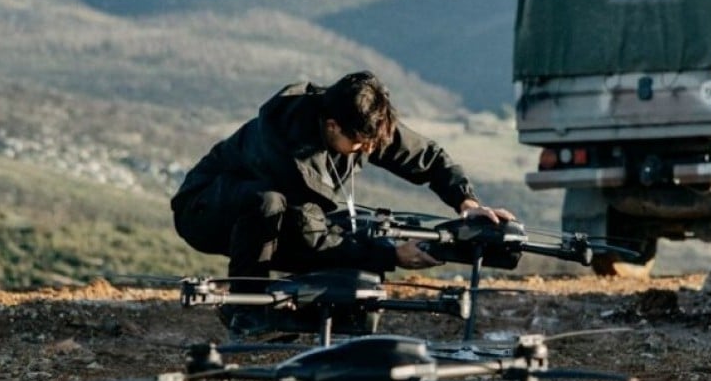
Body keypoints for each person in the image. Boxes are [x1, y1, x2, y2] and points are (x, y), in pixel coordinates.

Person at [170, 71, 515, 334]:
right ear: (332, 126)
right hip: (203, 210)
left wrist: (466, 202)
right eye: (360, 145)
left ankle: (313, 307)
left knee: (359, 231)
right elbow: (314, 238)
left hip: (281, 211)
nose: (367, 150)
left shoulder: (358, 118)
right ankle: (246, 308)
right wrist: (392, 255)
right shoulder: (291, 156)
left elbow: (426, 157)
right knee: (269, 204)